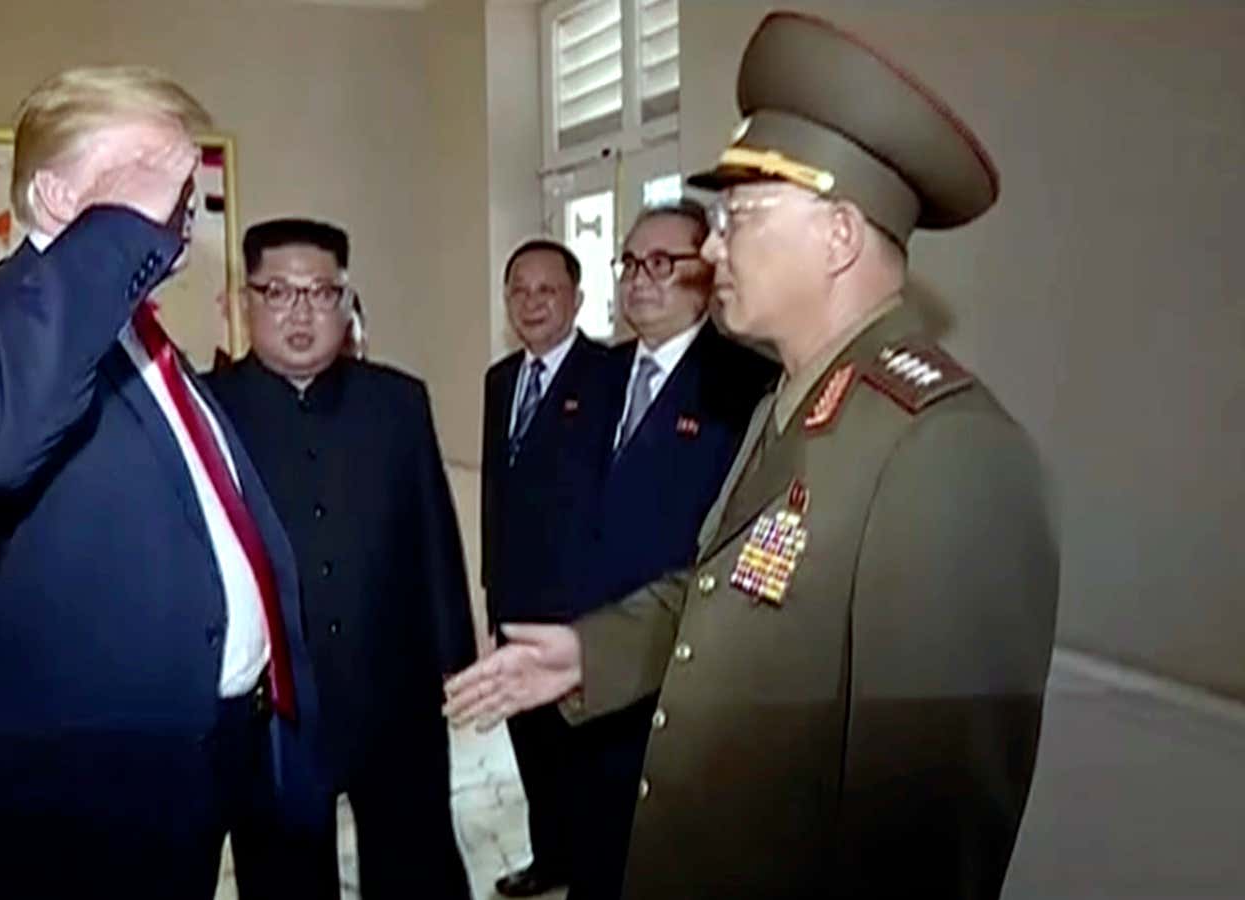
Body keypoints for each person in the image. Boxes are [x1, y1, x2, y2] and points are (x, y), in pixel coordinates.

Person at [446, 11, 1059, 898]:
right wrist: (592, 655)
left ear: (839, 236)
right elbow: (723, 598)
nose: (712, 246)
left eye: (739, 216)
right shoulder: (792, 401)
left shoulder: (944, 447)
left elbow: (928, 833)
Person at [0, 66, 325, 898]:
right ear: (58, 196)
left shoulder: (145, 340)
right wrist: (117, 227)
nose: (178, 208)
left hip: (218, 751)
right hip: (87, 794)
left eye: (182, 181)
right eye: (150, 175)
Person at [205, 218, 475, 899]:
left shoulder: (397, 401)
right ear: (244, 301)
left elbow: (432, 533)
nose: (300, 313)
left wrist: (456, 661)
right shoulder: (210, 409)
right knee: (283, 875)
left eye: (321, 293)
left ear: (348, 304)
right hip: (274, 709)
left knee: (416, 864)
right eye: (277, 292)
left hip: (394, 693)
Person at [565, 201, 776, 899]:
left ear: (707, 272)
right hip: (590, 662)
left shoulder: (747, 385)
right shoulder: (593, 374)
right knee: (593, 849)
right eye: (629, 262)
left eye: (662, 263)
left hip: (679, 669)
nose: (640, 280)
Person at [479, 239, 620, 898]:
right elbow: (495, 497)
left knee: (580, 753)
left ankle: (590, 870)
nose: (532, 304)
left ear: (577, 299)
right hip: (515, 602)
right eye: (519, 291)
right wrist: (490, 593)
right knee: (530, 746)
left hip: (578, 612)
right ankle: (550, 858)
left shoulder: (610, 375)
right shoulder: (501, 380)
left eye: (547, 291)